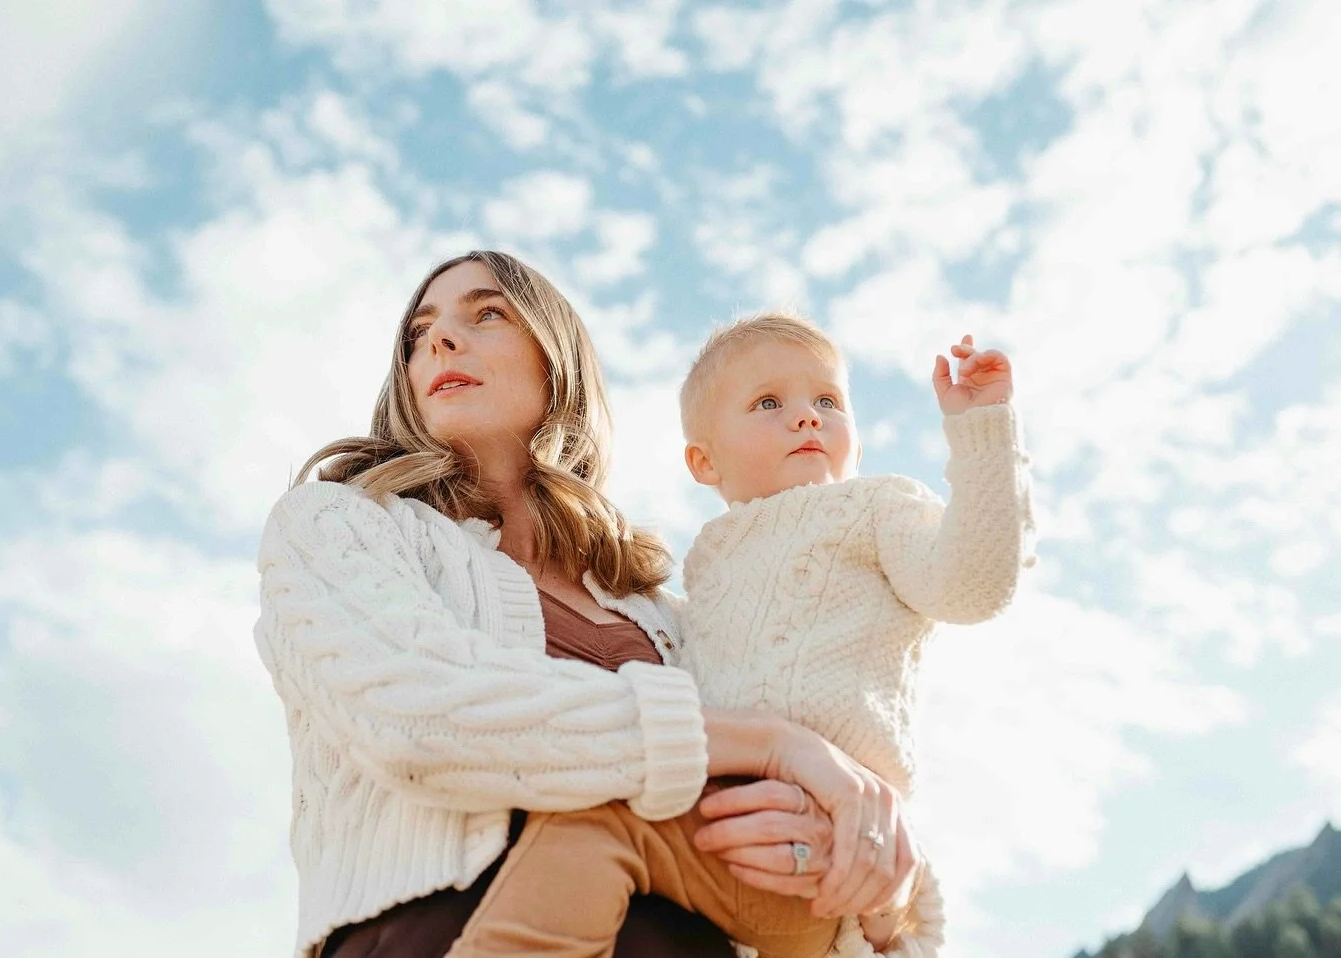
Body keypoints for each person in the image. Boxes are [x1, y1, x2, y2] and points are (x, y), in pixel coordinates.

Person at [254, 252, 922, 958]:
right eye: (419, 336)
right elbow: (419, 715)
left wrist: (876, 887)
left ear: (558, 360)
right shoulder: (338, 524)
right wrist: (772, 745)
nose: (441, 342)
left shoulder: (664, 614)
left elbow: (819, 784)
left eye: (487, 314)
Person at [443, 315, 1035, 958]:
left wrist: (981, 431)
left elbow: (975, 585)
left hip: (821, 835)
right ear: (704, 461)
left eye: (828, 401)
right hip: (724, 835)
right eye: (769, 403)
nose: (807, 417)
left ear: (857, 446)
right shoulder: (703, 569)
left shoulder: (877, 511)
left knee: (591, 833)